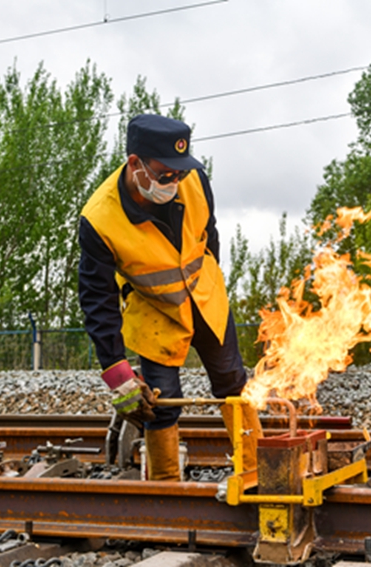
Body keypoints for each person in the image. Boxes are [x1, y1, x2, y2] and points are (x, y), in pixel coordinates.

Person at [78, 114, 262, 480]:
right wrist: (119, 375)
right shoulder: (99, 219)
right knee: (159, 404)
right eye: (166, 174)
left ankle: (258, 469)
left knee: (232, 383)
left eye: (179, 173)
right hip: (155, 312)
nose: (175, 182)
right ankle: (166, 491)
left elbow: (209, 232)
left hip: (205, 296)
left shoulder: (194, 180)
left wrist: (213, 279)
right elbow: (97, 300)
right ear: (135, 164)